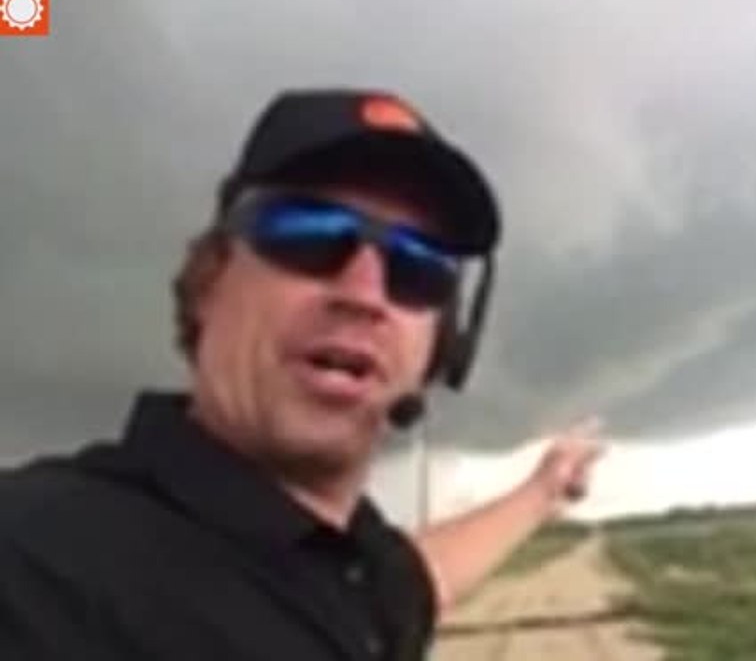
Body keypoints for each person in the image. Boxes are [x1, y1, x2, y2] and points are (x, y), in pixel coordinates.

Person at [0, 89, 605, 660]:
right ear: (209, 281)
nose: (364, 293)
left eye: (417, 268)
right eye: (307, 234)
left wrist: (544, 490)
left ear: (440, 346)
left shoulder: (358, 561)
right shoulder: (34, 562)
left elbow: (424, 580)